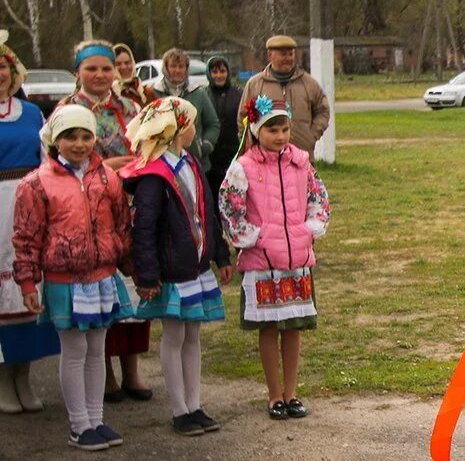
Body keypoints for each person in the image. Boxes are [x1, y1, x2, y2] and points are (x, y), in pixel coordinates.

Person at [12, 105, 134, 451]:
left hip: (102, 276)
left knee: (98, 347)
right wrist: (27, 282)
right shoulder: (36, 183)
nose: (79, 144)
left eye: (85, 136)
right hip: (64, 279)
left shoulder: (107, 178)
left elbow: (122, 226)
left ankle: (95, 419)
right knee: (75, 348)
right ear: (55, 140)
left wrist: (132, 269)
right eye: (70, 137)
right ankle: (78, 424)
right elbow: (26, 237)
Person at [122, 97, 232, 437]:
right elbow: (145, 229)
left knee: (193, 335)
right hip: (172, 270)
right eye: (190, 124)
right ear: (174, 130)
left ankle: (195, 403)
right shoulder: (153, 176)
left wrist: (220, 253)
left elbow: (206, 210)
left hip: (195, 266)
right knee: (174, 335)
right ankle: (178, 409)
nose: (194, 130)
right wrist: (149, 274)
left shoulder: (191, 163)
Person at [219, 96, 329, 420]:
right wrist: (252, 237)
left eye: (284, 129)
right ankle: (274, 393)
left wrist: (310, 228)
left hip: (296, 259)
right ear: (255, 130)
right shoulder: (244, 167)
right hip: (263, 262)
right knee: (268, 329)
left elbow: (318, 196)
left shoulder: (301, 162)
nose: (280, 136)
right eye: (272, 130)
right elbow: (229, 207)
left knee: (292, 329)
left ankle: (292, 391)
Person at [61, 40, 152, 403]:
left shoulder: (130, 107)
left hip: (131, 207)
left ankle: (132, 369)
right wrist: (109, 168)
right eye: (91, 68)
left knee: (134, 284)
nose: (100, 75)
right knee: (102, 287)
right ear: (78, 72)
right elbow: (59, 159)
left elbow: (147, 151)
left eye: (106, 68)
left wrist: (131, 167)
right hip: (88, 211)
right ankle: (106, 373)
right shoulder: (68, 110)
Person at [0, 30, 59, 413]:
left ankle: (23, 375)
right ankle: (3, 380)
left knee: (28, 288)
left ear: (13, 71)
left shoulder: (33, 113)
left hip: (29, 205)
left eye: (2, 66)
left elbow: (47, 161)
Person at [240, 36, 330, 158]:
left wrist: (311, 136)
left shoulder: (309, 84)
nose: (288, 59)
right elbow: (243, 118)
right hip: (265, 160)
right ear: (270, 55)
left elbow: (323, 111)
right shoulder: (255, 84)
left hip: (301, 157)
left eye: (291, 54)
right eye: (283, 54)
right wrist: (250, 143)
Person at [153, 48, 219, 172]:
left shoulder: (198, 93)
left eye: (181, 66)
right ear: (166, 67)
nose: (177, 70)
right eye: (173, 66)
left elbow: (213, 123)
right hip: (164, 164)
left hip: (196, 164)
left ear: (186, 68)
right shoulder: (155, 93)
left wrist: (205, 146)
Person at [205, 55, 242, 190]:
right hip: (211, 157)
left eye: (222, 71)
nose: (219, 75)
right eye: (214, 72)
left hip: (233, 154)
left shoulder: (239, 94)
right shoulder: (204, 94)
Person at [113, 43, 158, 108]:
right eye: (118, 64)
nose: (123, 67)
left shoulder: (147, 94)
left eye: (127, 63)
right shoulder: (108, 96)